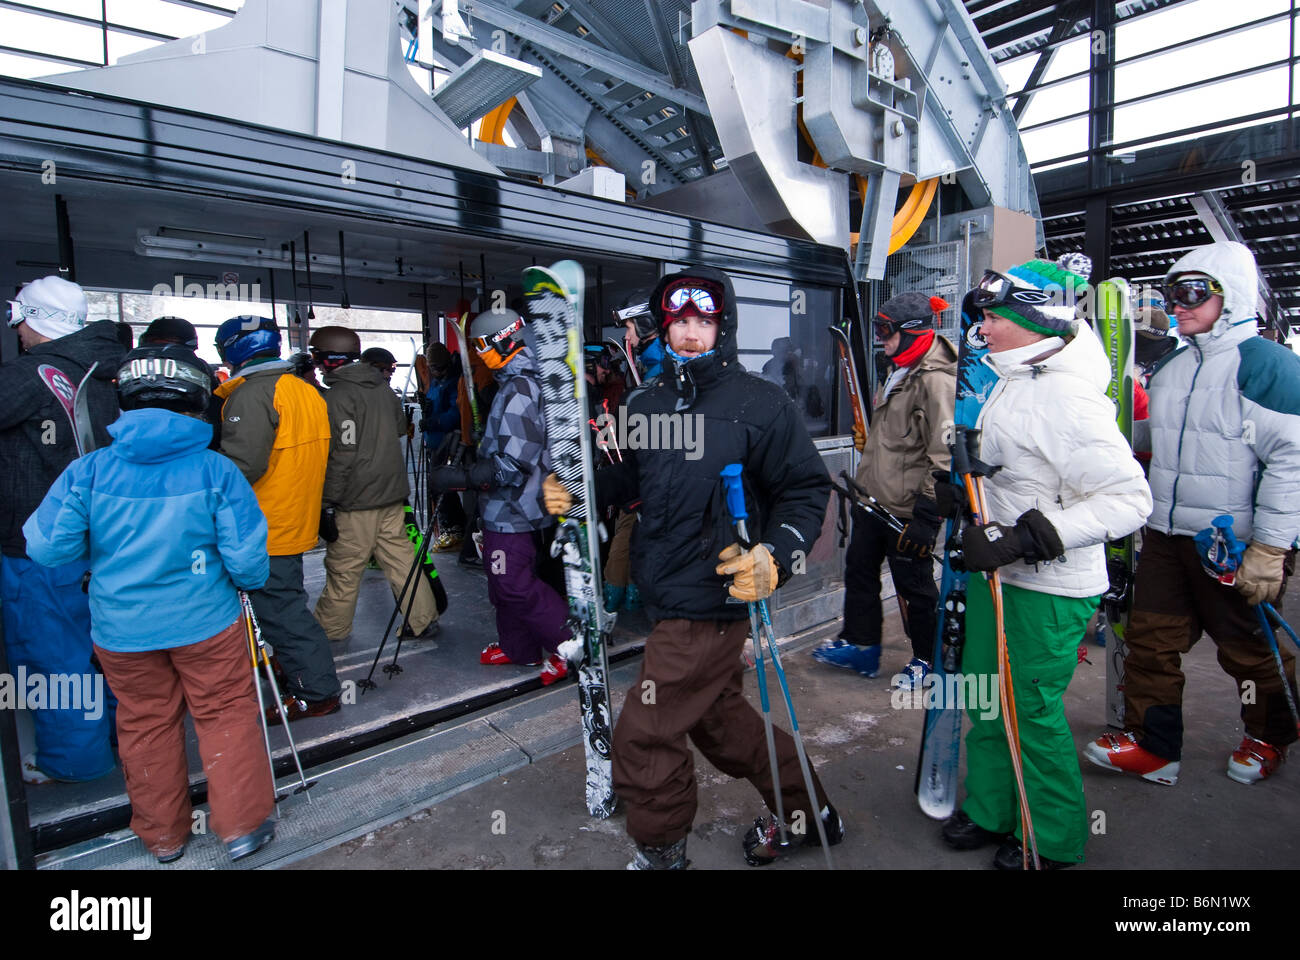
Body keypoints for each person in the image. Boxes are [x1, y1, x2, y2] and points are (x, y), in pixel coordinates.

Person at [545, 266, 842, 869]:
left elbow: (806, 490)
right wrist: (580, 490)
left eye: (703, 321)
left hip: (714, 594)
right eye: (679, 320)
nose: (689, 333)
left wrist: (777, 554)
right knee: (722, 726)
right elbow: (635, 476)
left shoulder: (761, 403)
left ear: (722, 327)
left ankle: (660, 851)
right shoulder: (647, 400)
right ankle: (810, 813)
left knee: (645, 735)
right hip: (667, 588)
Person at [23, 344, 276, 863]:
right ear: (197, 400)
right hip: (207, 623)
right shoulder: (217, 472)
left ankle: (163, 838)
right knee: (225, 714)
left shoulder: (89, 471)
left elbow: (49, 548)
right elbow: (249, 564)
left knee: (144, 724)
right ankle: (241, 829)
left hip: (121, 630)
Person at [939, 260, 1151, 870]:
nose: (981, 327)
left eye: (992, 317)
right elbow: (1023, 469)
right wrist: (966, 497)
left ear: (1032, 320)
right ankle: (993, 808)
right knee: (985, 698)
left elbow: (1129, 500)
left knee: (1029, 711)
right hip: (997, 576)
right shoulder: (1015, 376)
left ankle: (1052, 840)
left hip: (1048, 587)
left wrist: (1023, 538)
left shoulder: (1064, 394)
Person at [1083, 241, 1300, 787]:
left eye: (1189, 293)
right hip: (1165, 535)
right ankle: (1156, 747)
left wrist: (1271, 548)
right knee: (1151, 640)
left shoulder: (1269, 366)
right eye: (1170, 293)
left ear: (1230, 297)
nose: (1176, 305)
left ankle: (1269, 736)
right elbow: (1161, 445)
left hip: (1234, 544)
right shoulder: (1173, 368)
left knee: (1250, 651)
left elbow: (1292, 460)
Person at [1, 275, 122, 784]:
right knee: (108, 647)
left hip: (39, 545)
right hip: (104, 537)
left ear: (32, 319)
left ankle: (74, 760)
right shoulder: (103, 373)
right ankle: (120, 737)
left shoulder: (28, 376)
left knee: (53, 654)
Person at [813, 292, 956, 689]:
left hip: (906, 510)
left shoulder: (936, 381)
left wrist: (928, 517)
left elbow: (943, 454)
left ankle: (929, 659)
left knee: (914, 587)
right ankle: (861, 646)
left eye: (885, 331)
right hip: (872, 499)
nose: (881, 339)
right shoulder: (897, 369)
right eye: (878, 330)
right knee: (859, 572)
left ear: (912, 331)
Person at [428, 308, 569, 684]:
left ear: (506, 340)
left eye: (481, 346)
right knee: (500, 581)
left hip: (514, 508)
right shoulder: (513, 382)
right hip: (505, 507)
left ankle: (569, 645)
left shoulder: (521, 388)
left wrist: (462, 477)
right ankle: (519, 646)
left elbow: (513, 464)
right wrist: (472, 456)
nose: (478, 354)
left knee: (513, 582)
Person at [213, 315, 341, 722]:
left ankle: (317, 692)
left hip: (264, 525)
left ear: (232, 349)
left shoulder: (253, 395)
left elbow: (240, 468)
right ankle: (297, 669)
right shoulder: (301, 390)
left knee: (282, 613)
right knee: (285, 607)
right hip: (294, 517)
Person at [309, 326, 439, 643]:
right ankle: (422, 619)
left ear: (329, 360)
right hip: (391, 493)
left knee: (344, 568)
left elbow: (344, 452)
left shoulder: (338, 396)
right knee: (401, 560)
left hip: (356, 500)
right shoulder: (382, 388)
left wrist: (328, 501)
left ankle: (330, 629)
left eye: (316, 357)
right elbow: (398, 426)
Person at [140, 315, 224, 448]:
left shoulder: (132, 365)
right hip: (192, 444)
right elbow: (214, 411)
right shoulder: (197, 366)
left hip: (138, 440)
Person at [422, 343, 466, 550]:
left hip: (448, 441)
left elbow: (456, 412)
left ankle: (455, 528)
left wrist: (435, 422)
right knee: (437, 487)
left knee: (443, 486)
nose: (437, 371)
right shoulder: (436, 381)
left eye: (439, 367)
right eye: (433, 368)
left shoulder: (454, 380)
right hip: (434, 440)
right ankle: (451, 527)